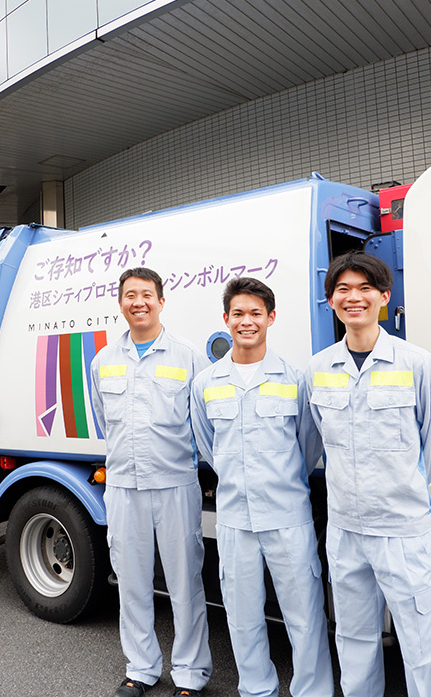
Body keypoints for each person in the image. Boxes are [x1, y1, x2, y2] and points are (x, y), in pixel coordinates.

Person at [305, 251, 431, 697]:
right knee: (353, 639)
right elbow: (315, 438)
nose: (354, 298)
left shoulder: (416, 363)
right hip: (346, 528)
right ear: (330, 300)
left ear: (385, 297)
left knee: (424, 641)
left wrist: (403, 485)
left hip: (402, 529)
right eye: (343, 290)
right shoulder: (318, 369)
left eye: (365, 288)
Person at [190, 277, 334, 697]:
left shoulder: (295, 379)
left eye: (256, 313)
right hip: (235, 519)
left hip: (288, 516)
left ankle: (312, 691)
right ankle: (256, 689)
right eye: (238, 314)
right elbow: (208, 446)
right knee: (242, 616)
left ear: (271, 318)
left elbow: (308, 446)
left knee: (304, 617)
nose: (246, 321)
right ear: (226, 319)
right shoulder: (207, 383)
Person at [90, 267, 212, 697]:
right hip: (123, 485)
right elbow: (105, 421)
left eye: (146, 294)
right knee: (132, 582)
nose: (137, 302)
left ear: (162, 300)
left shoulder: (188, 356)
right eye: (129, 295)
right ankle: (140, 669)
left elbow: (202, 425)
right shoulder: (103, 360)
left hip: (176, 483)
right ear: (120, 303)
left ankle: (191, 674)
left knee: (184, 584)